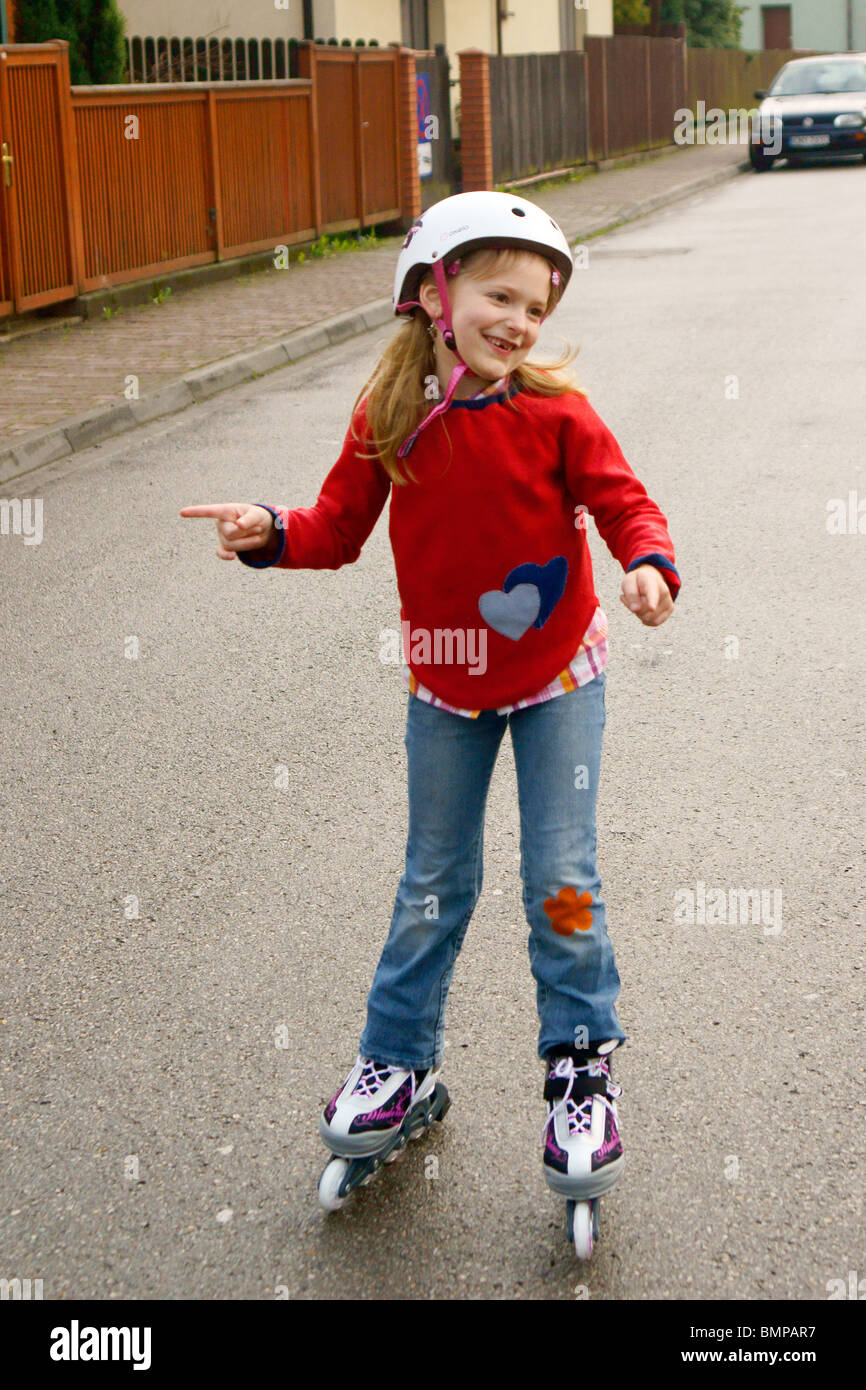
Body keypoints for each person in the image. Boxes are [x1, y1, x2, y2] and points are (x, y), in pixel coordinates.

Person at [180, 191, 680, 1214]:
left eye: (536, 307)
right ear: (433, 291)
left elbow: (623, 499)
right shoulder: (388, 417)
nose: (520, 322)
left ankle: (580, 1071)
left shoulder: (555, 413)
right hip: (442, 687)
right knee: (431, 882)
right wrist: (267, 529)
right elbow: (333, 527)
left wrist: (646, 562)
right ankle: (396, 1063)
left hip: (557, 680)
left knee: (562, 881)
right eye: (500, 294)